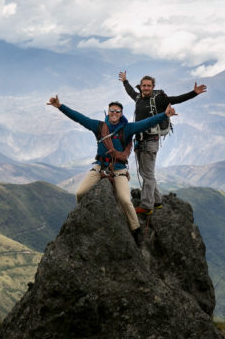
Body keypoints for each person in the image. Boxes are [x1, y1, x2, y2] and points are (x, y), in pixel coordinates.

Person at [47, 94, 177, 245]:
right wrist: (60, 106)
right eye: (111, 111)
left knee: (125, 200)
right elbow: (79, 118)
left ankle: (136, 229)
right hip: (99, 167)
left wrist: (164, 115)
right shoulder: (99, 127)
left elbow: (146, 123)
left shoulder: (127, 128)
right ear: (108, 112)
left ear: (121, 114)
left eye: (117, 111)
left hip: (118, 170)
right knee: (80, 193)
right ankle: (85, 215)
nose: (114, 114)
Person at [119, 72, 207, 215]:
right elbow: (130, 91)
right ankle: (157, 201)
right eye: (144, 86)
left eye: (148, 86)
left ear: (153, 87)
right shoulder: (138, 98)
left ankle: (147, 206)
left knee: (147, 175)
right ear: (141, 87)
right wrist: (124, 81)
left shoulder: (158, 100)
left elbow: (176, 99)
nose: (146, 88)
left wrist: (194, 93)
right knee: (146, 173)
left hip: (150, 141)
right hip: (140, 140)